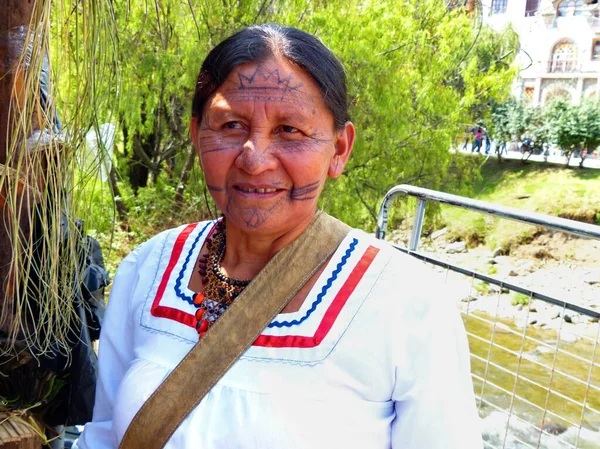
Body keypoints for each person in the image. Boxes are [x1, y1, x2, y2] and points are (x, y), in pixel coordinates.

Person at [76, 24, 482, 449]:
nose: (255, 159)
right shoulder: (148, 268)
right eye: (231, 124)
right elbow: (103, 436)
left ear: (339, 149)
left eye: (290, 130)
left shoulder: (404, 302)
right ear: (197, 135)